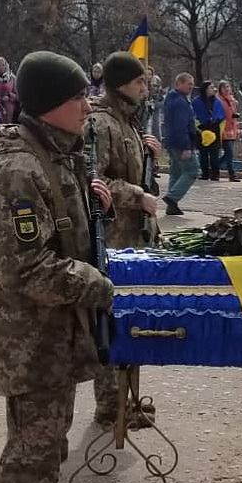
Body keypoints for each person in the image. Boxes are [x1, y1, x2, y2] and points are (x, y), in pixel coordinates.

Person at [0, 51, 116, 483]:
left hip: (56, 333)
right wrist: (99, 284)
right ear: (49, 104)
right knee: (30, 455)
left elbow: (66, 232)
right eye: (78, 96)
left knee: (51, 446)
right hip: (31, 338)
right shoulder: (19, 171)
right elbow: (29, 270)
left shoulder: (57, 155)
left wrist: (95, 204)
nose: (87, 105)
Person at [85, 51, 165, 444]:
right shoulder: (101, 123)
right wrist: (137, 195)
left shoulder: (129, 122)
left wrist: (151, 155)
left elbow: (140, 175)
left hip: (133, 238)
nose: (145, 89)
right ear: (120, 85)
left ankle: (127, 402)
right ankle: (109, 407)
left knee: (131, 317)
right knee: (111, 322)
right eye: (139, 82)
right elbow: (93, 181)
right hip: (112, 238)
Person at [159, 73, 200, 215]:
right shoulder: (180, 102)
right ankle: (172, 198)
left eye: (192, 83)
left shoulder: (171, 99)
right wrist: (186, 147)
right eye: (189, 84)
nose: (191, 87)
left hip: (171, 142)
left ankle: (172, 206)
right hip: (181, 143)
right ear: (179, 84)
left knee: (176, 172)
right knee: (192, 170)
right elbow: (181, 126)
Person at [195, 81, 224, 180]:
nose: (214, 89)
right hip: (202, 129)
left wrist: (215, 120)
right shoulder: (197, 101)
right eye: (211, 87)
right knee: (203, 153)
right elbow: (194, 115)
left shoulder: (217, 101)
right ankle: (205, 173)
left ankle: (215, 174)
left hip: (214, 128)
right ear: (205, 89)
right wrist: (201, 125)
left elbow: (221, 114)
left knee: (214, 153)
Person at [217, 79, 241, 181]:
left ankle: (214, 166)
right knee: (229, 152)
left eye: (227, 87)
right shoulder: (218, 100)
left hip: (232, 129)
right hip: (223, 129)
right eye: (224, 87)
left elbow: (233, 113)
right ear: (220, 89)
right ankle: (232, 174)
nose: (226, 89)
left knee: (228, 154)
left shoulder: (232, 100)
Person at [0, 55, 19, 126]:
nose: (1, 67)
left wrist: (10, 96)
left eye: (3, 65)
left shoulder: (11, 78)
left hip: (9, 108)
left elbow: (18, 95)